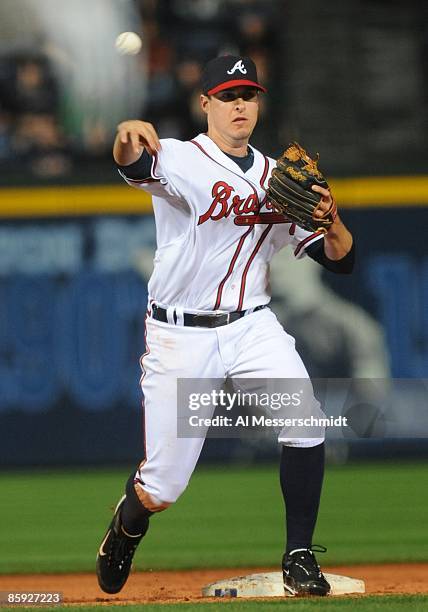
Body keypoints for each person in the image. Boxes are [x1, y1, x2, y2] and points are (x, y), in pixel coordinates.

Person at [96, 55, 354, 597]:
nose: (240, 105)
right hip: (180, 335)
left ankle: (299, 556)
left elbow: (339, 258)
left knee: (305, 420)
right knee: (164, 485)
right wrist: (124, 135)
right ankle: (128, 522)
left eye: (249, 95)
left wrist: (332, 218)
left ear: (258, 104)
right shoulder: (182, 158)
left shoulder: (276, 178)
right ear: (205, 103)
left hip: (251, 324)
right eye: (229, 95)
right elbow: (131, 163)